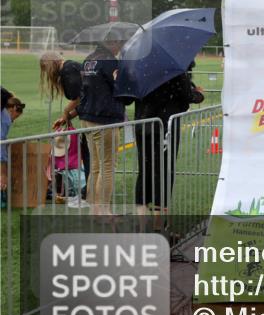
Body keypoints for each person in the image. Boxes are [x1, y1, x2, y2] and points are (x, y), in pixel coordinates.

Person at [128, 62, 204, 212]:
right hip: (164, 126)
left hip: (143, 123)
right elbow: (187, 95)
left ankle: (142, 225)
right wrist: (199, 94)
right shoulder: (174, 68)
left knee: (145, 171)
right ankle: (159, 226)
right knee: (164, 173)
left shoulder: (139, 66)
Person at [78, 39, 127, 215]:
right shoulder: (111, 62)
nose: (121, 46)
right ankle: (103, 211)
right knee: (107, 166)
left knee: (96, 165)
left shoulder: (89, 59)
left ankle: (94, 209)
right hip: (105, 118)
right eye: (120, 42)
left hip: (88, 116)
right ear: (111, 43)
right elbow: (121, 90)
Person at [39, 52, 91, 196]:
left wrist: (66, 110)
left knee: (91, 156)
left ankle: (91, 191)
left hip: (95, 115)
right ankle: (89, 189)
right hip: (92, 112)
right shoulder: (69, 68)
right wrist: (66, 117)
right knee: (87, 154)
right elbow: (84, 101)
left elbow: (80, 98)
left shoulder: (68, 70)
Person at [1, 94, 25, 198]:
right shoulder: (5, 119)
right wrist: (3, 174)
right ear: (14, 109)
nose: (13, 120)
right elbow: (1, 146)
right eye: (16, 116)